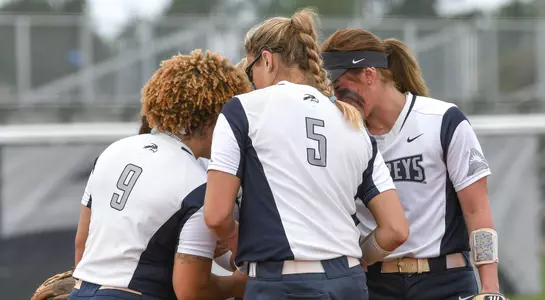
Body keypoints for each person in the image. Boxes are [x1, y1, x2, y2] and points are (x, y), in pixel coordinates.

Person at [203, 8, 409, 300]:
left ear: (267, 60)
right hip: (348, 282)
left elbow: (215, 216)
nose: (251, 82)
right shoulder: (351, 119)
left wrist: (241, 245)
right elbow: (396, 229)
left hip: (280, 284)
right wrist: (354, 260)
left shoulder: (243, 109)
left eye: (251, 72)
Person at [321, 29, 504, 300]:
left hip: (446, 281)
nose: (335, 100)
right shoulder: (343, 134)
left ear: (369, 75)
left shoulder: (442, 120)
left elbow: (477, 210)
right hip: (374, 283)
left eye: (339, 88)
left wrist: (490, 289)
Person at [69, 50, 251, 300]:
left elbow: (82, 244)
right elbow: (192, 291)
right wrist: (239, 283)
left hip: (80, 292)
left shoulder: (114, 151)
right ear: (214, 121)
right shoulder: (199, 185)